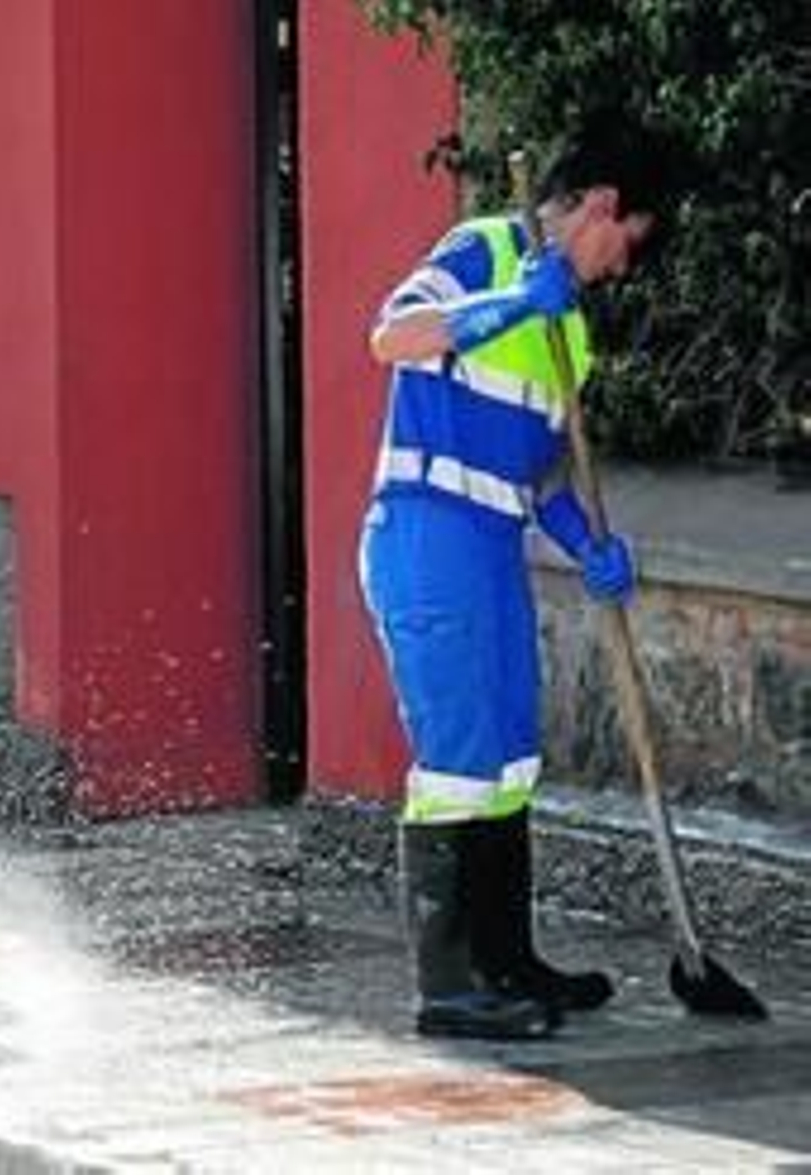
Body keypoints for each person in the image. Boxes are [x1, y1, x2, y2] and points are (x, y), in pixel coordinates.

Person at [359, 120, 674, 1040]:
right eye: (629, 242)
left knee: (509, 753)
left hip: (492, 542)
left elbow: (542, 478)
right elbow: (391, 336)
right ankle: (448, 986)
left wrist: (588, 545)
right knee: (458, 756)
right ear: (602, 206)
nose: (623, 266)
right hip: (426, 531)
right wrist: (506, 303)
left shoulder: (570, 332)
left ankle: (506, 959)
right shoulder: (485, 248)